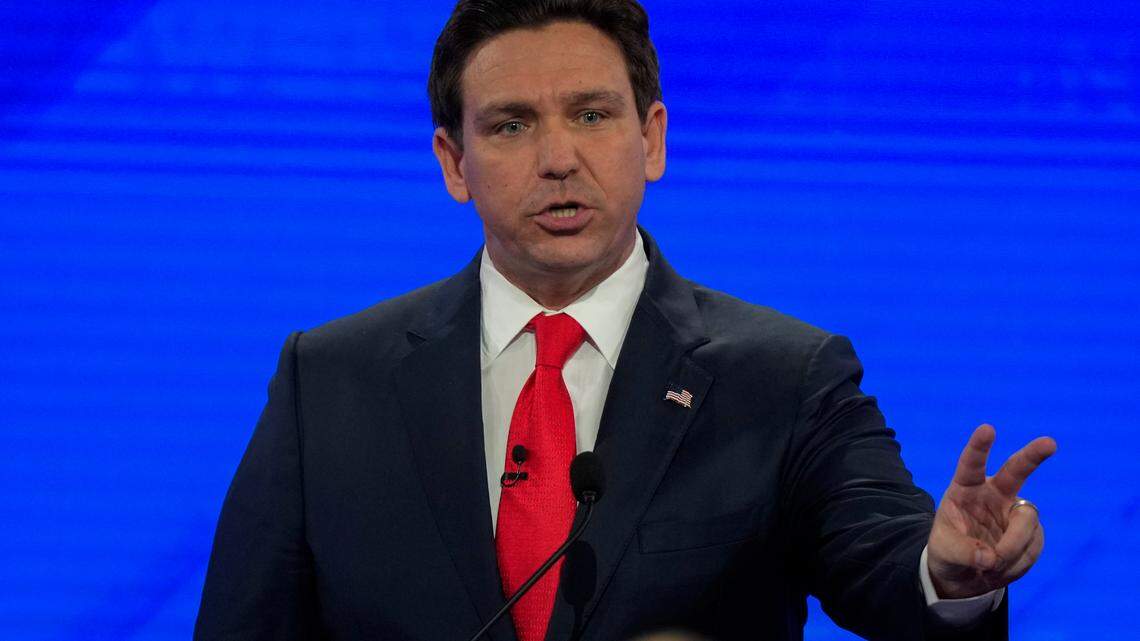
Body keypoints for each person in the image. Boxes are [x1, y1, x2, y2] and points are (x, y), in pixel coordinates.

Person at [194, 2, 1056, 640]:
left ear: (652, 139)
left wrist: (946, 574)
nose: (559, 157)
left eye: (593, 114)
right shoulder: (331, 379)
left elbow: (885, 561)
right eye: (511, 125)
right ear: (454, 162)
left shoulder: (785, 376)